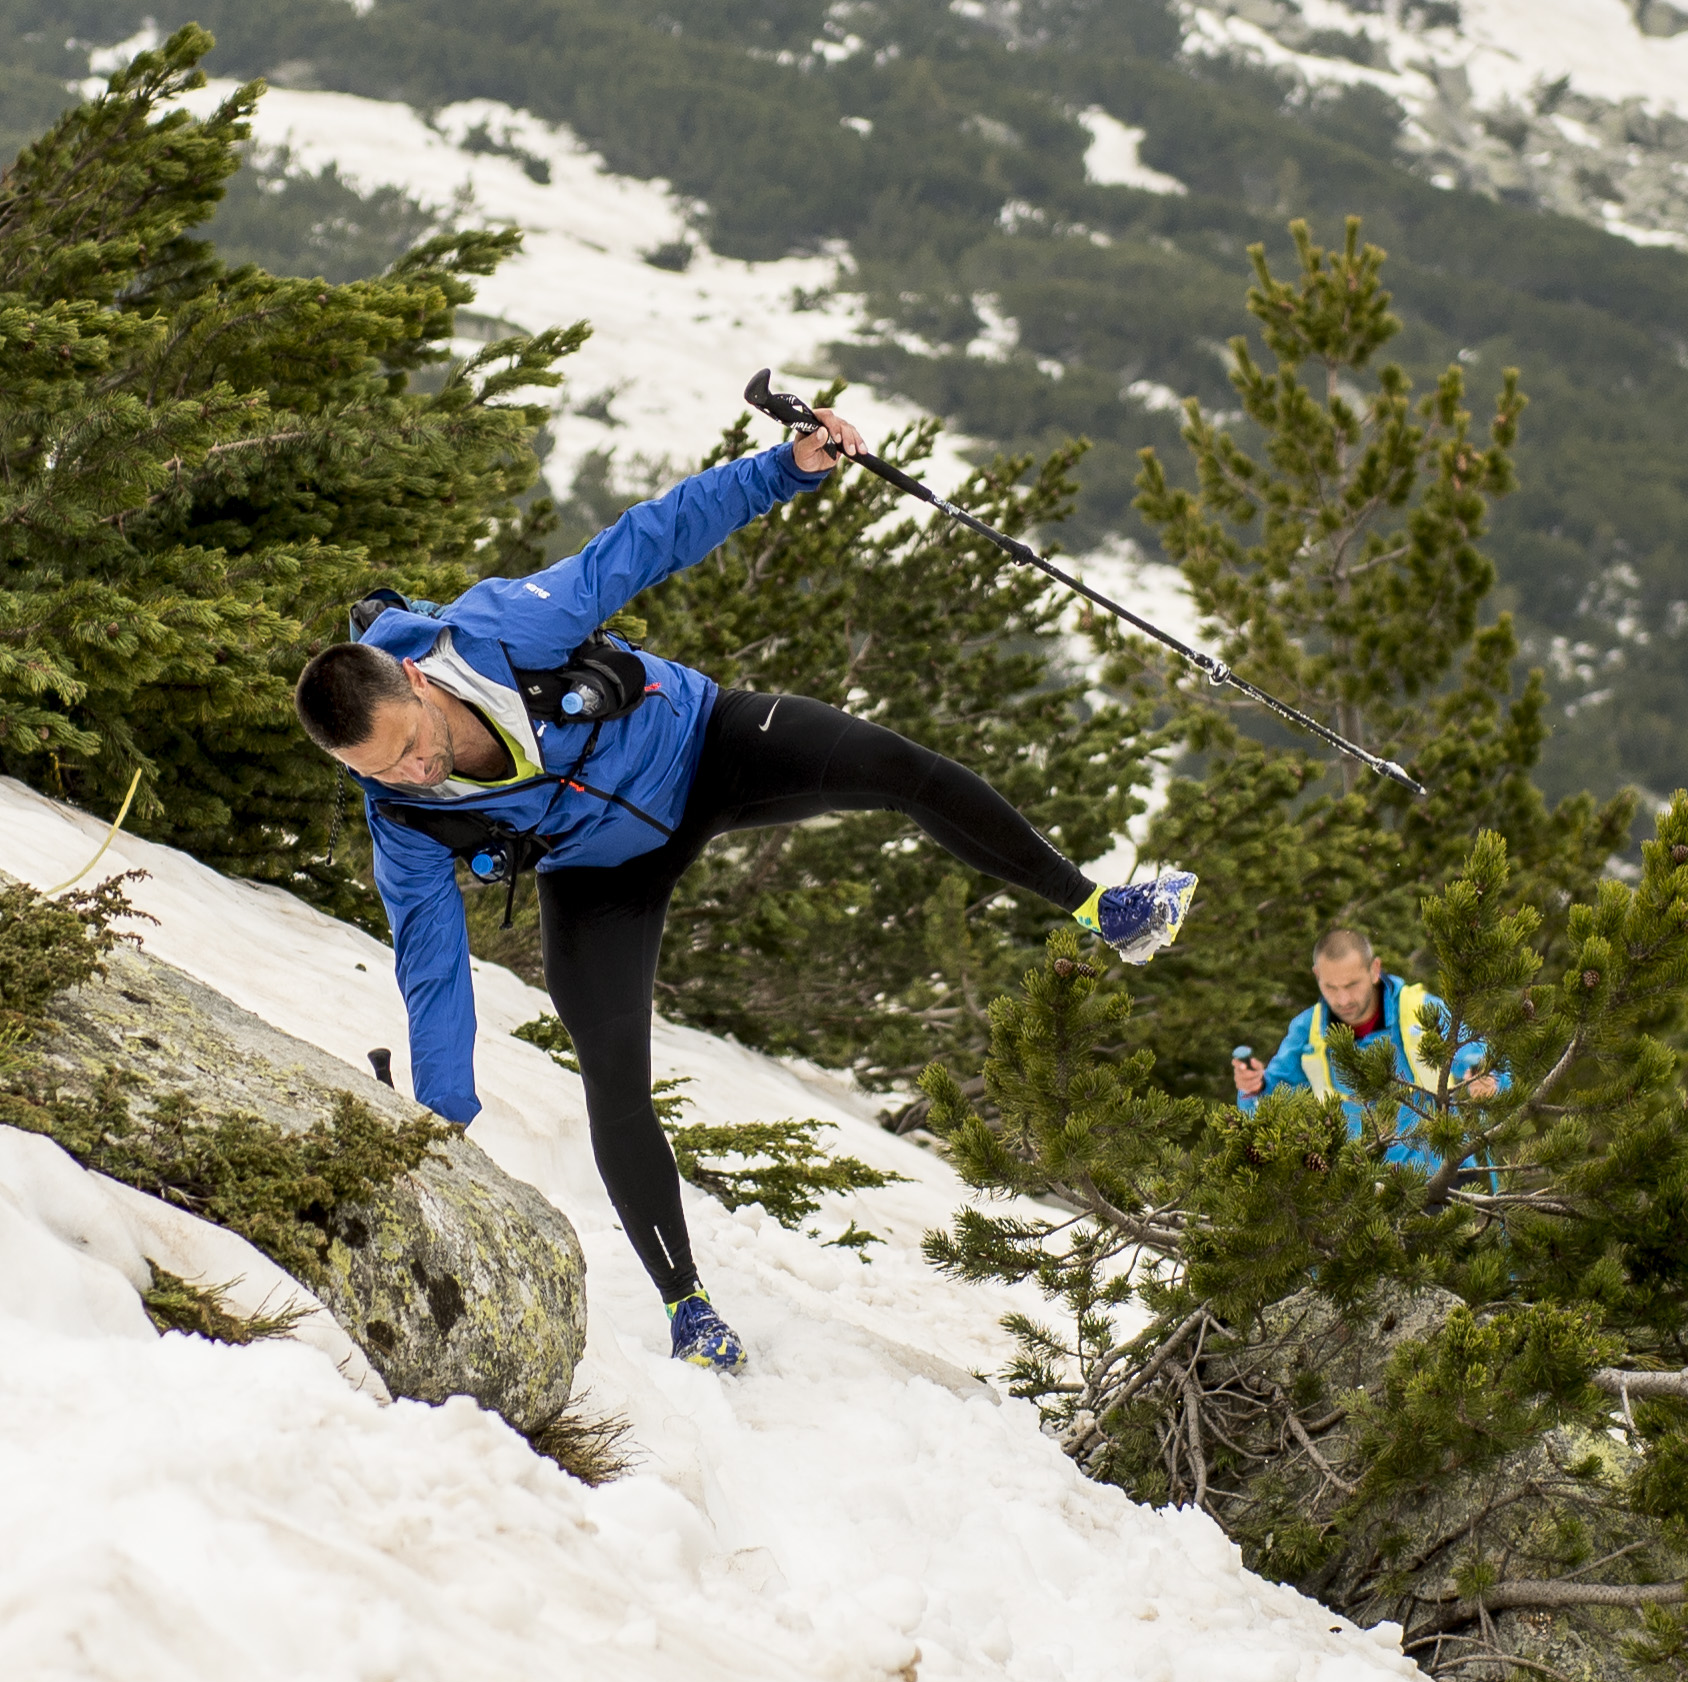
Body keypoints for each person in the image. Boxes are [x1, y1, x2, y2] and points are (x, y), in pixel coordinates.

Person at [292, 403, 1196, 1372]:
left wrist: (785, 469)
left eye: (411, 747)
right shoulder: (403, 817)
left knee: (901, 770)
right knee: (612, 1077)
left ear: (417, 684)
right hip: (600, 869)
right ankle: (690, 1310)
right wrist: (441, 1117)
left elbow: (648, 539)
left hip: (703, 741)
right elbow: (432, 967)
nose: (414, 773)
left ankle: (1103, 908)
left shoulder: (504, 631)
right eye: (380, 770)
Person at [1234, 928, 1503, 1181]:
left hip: (1443, 1182)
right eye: (1331, 987)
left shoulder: (1423, 1011)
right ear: (1316, 976)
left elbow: (1490, 1064)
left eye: (1352, 985)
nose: (1343, 1000)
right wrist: (1252, 1088)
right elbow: (1268, 1103)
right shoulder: (1307, 1031)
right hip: (1359, 1191)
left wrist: (1485, 1080)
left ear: (1374, 970)